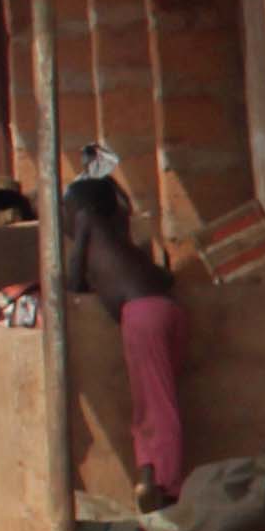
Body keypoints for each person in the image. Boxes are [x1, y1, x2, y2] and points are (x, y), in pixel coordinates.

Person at [62, 154, 185, 505]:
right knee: (152, 402)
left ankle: (167, 484)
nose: (65, 220)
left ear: (84, 214)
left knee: (156, 405)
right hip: (162, 308)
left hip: (143, 314)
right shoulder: (118, 241)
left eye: (67, 212)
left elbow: (73, 282)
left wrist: (81, 236)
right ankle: (152, 479)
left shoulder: (92, 236)